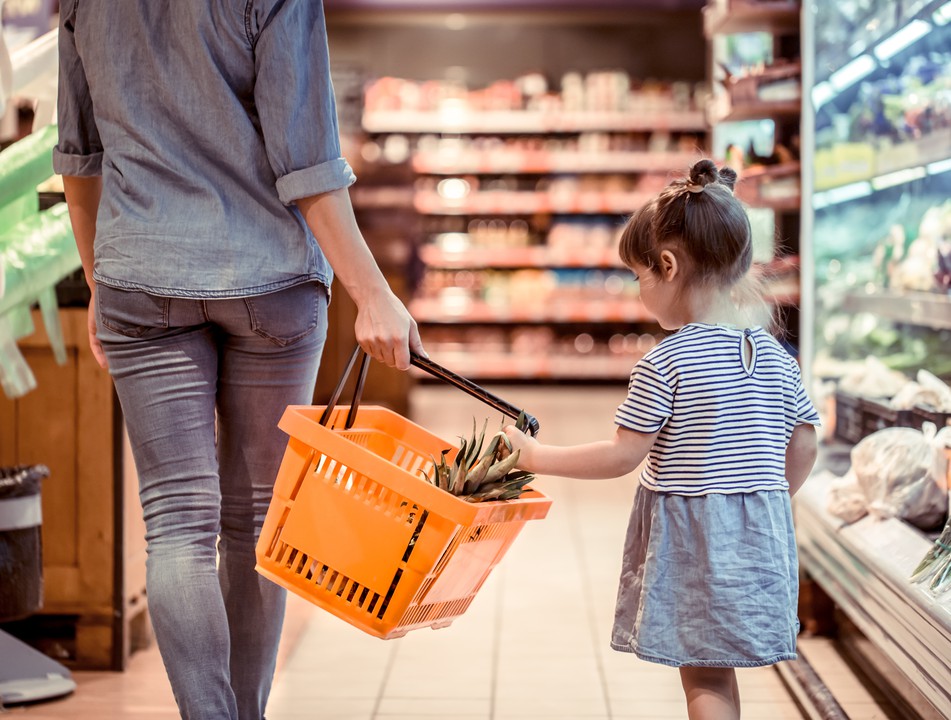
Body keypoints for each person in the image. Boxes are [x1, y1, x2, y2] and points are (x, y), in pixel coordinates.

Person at [53, 2, 423, 718]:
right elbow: (306, 159)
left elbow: (78, 153)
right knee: (258, 525)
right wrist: (372, 294)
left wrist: (100, 281)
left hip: (140, 273)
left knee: (176, 527)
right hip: (270, 278)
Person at [504, 159, 819, 720]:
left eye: (638, 275)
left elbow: (622, 455)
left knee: (702, 675)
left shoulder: (668, 360)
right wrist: (764, 496)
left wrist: (535, 457)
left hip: (695, 537)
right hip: (760, 532)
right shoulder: (775, 358)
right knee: (720, 672)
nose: (639, 289)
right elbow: (804, 444)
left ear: (667, 266)